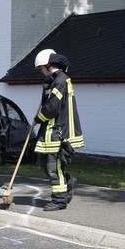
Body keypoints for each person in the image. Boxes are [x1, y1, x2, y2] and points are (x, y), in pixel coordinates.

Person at [33, 48, 83, 210]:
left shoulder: (61, 81)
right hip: (49, 131)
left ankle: (59, 200)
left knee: (53, 168)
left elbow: (53, 107)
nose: (41, 71)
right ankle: (68, 181)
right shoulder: (54, 80)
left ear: (49, 65)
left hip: (58, 132)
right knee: (43, 163)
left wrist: (37, 118)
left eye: (41, 68)